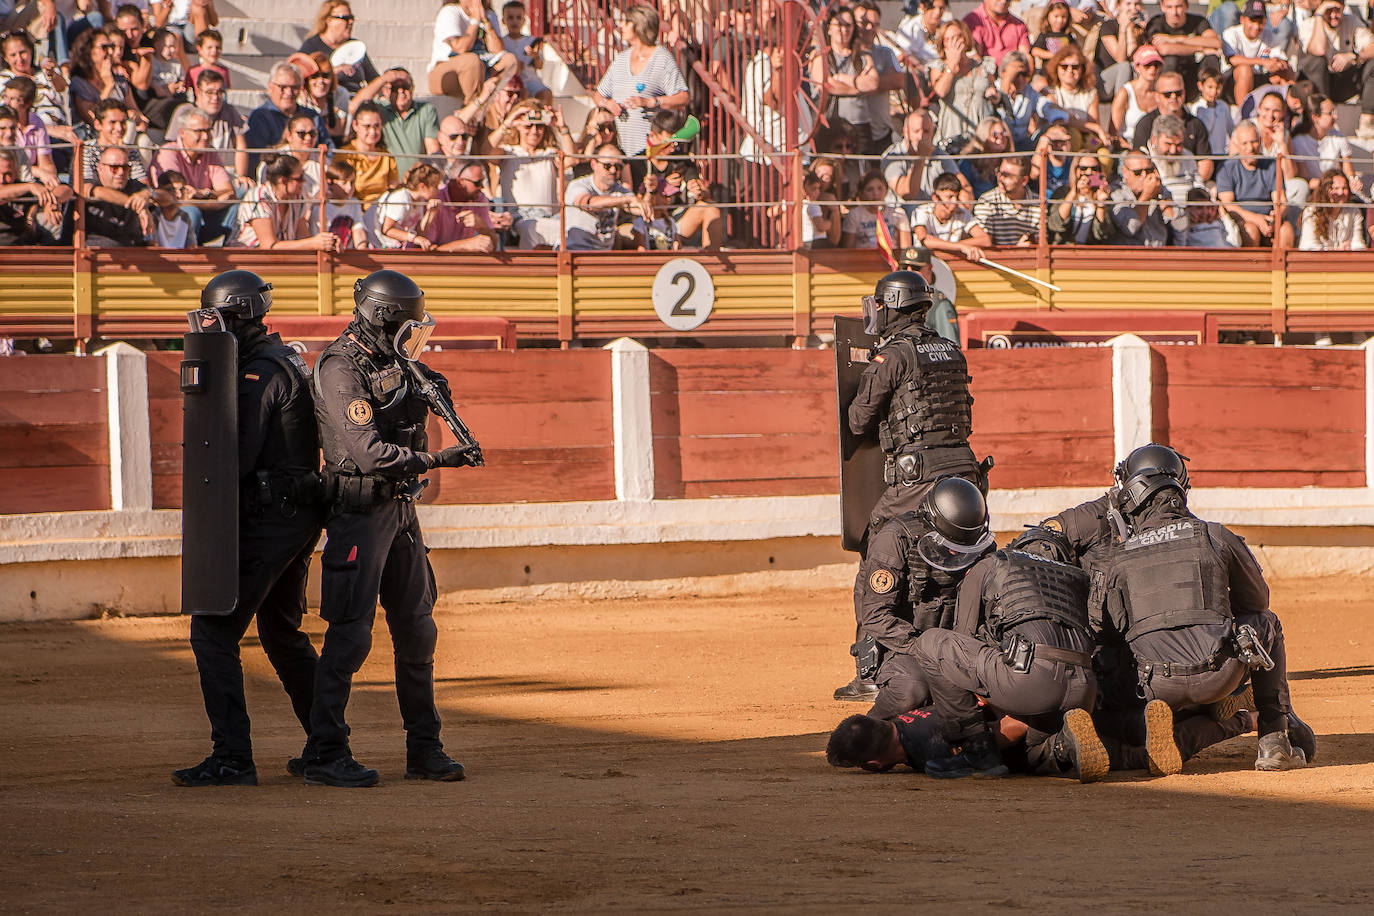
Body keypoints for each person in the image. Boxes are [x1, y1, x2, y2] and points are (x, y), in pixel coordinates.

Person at [307, 268, 479, 787]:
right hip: (359, 513)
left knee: (417, 630)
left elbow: (399, 424)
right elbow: (366, 452)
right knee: (351, 637)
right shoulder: (341, 367)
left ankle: (424, 749)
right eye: (408, 325)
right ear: (383, 319)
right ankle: (324, 753)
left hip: (400, 512)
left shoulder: (398, 365)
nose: (415, 335)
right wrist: (440, 458)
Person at [171, 270, 323, 788]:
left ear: (237, 315)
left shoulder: (260, 370)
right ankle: (328, 746)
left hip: (272, 520)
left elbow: (234, 455)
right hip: (292, 515)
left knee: (213, 633)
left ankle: (233, 757)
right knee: (282, 633)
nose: (210, 325)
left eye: (218, 316)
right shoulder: (279, 360)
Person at [1097, 444, 1315, 773]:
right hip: (1220, 675)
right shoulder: (1215, 534)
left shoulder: (1116, 557)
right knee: (1266, 623)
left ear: (1130, 497)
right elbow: (1256, 603)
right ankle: (1273, 739)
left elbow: (1105, 631)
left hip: (1154, 686)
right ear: (1181, 491)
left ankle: (1146, 728)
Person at [835, 271, 985, 701]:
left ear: (893, 305)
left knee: (877, 560)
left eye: (881, 305)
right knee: (956, 569)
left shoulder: (896, 355)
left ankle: (870, 672)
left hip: (916, 479)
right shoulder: (952, 349)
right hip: (964, 478)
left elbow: (857, 420)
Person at [915, 521, 1106, 780]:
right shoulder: (1079, 577)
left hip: (1031, 683)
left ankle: (976, 750)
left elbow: (962, 641)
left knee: (931, 643)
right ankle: (1060, 748)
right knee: (1024, 750)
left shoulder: (994, 563)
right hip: (1084, 693)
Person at [846, 480, 994, 717]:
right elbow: (875, 617)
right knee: (912, 690)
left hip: (960, 645)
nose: (959, 553)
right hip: (904, 647)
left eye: (965, 548)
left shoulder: (977, 541)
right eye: (953, 547)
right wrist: (927, 650)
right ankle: (872, 731)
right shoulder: (895, 540)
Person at [591, 4, 688, 159]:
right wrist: (607, 103)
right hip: (622, 152)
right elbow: (598, 95)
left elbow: (683, 97)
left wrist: (651, 102)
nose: (622, 26)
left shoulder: (661, 58)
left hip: (652, 153)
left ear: (640, 25)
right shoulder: (621, 59)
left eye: (627, 22)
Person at [152, 106, 235, 243]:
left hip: (205, 214)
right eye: (199, 131)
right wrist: (217, 200)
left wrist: (203, 194)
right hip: (171, 218)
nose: (206, 136)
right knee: (191, 212)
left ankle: (232, 254)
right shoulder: (169, 153)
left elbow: (230, 192)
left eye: (208, 130)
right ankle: (185, 258)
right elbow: (177, 199)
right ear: (182, 132)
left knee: (237, 204)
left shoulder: (210, 152)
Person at [1297, 0, 1374, 139]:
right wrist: (1319, 16)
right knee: (1317, 62)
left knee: (1372, 63)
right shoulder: (1309, 24)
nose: (1334, 15)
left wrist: (1354, 56)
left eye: (1337, 10)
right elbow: (1319, 50)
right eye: (1329, 10)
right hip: (1318, 86)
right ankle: (1324, 118)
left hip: (1345, 81)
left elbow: (1372, 46)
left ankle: (1367, 120)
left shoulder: (1351, 21)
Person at [231, 153, 337, 251]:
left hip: (282, 262)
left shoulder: (298, 197)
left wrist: (327, 242)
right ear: (283, 181)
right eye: (299, 178)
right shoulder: (259, 198)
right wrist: (313, 243)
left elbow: (303, 237)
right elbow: (268, 246)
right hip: (248, 260)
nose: (304, 181)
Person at [428, 0, 519, 109]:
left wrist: (486, 21)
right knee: (471, 61)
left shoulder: (489, 15)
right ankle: (471, 112)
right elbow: (461, 48)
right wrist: (475, 21)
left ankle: (492, 104)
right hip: (447, 73)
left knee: (510, 60)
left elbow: (498, 50)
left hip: (482, 70)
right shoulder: (450, 12)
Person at [351, 68, 440, 177]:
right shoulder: (380, 109)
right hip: (386, 180)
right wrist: (384, 79)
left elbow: (432, 149)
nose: (401, 91)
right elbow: (354, 107)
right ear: (386, 91)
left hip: (416, 180)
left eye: (406, 87)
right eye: (395, 88)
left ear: (413, 88)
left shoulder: (426, 110)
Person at [1131, 69, 1215, 180]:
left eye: (1178, 93)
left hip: (1190, 182)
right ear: (1157, 96)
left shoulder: (1196, 124)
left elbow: (1205, 164)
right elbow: (1139, 162)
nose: (1173, 97)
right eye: (1167, 94)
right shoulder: (1145, 124)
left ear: (1184, 93)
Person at [245, 62, 328, 172]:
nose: (289, 92)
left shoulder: (312, 116)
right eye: (283, 87)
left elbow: (329, 150)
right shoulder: (260, 117)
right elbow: (257, 158)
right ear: (270, 87)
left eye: (294, 87)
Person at [1216, 121, 1285, 246]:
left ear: (1260, 141)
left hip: (1269, 217)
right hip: (1242, 219)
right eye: (1245, 143)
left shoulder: (1272, 165)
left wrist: (1276, 217)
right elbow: (1228, 205)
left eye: (1254, 142)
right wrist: (1257, 219)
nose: (1250, 148)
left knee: (1286, 231)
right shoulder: (1226, 168)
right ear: (1237, 145)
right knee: (1251, 231)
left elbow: (1281, 200)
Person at [986, 50, 1070, 151]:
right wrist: (1006, 84)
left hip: (1023, 144)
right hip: (999, 145)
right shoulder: (993, 89)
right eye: (1017, 74)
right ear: (1003, 73)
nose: (1021, 79)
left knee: (1047, 132)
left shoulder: (1028, 91)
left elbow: (1045, 106)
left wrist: (1056, 122)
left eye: (1025, 74)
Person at [564, 143, 641, 250]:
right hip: (574, 250)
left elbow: (637, 208)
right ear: (594, 164)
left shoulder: (620, 190)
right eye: (607, 166)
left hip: (603, 255)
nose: (613, 170)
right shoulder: (578, 185)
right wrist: (625, 200)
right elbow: (587, 204)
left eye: (618, 167)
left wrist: (651, 192)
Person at [930, 20, 993, 146]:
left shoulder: (983, 66)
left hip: (980, 127)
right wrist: (952, 65)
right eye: (948, 39)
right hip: (952, 129)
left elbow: (992, 87)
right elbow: (940, 91)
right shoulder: (939, 67)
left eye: (957, 37)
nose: (954, 43)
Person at [1143, 0, 1222, 100]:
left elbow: (1215, 43)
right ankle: (1169, 99)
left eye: (1178, 7)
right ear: (1162, 7)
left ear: (1187, 6)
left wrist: (1175, 39)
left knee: (1211, 57)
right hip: (1170, 71)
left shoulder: (1198, 21)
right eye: (1169, 7)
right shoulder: (1156, 23)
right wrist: (1201, 48)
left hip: (1195, 71)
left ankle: (1210, 101)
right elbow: (1164, 49)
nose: (1174, 12)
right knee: (1171, 59)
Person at [299, 0, 377, 95]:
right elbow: (300, 76)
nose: (351, 22)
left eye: (352, 18)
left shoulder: (355, 46)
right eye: (345, 18)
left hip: (356, 98)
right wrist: (334, 71)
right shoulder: (312, 45)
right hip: (328, 100)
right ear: (329, 20)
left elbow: (373, 78)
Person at [1111, 148, 1186, 246]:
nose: (1144, 176)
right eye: (1137, 172)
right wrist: (1147, 196)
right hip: (1130, 255)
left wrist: (1163, 200)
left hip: (1159, 254)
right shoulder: (1116, 192)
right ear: (1125, 172)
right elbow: (1130, 228)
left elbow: (1180, 227)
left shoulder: (1159, 188)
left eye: (1148, 170)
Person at [1223, 0, 1292, 106]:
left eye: (1260, 22)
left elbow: (1281, 57)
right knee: (1244, 69)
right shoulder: (1231, 33)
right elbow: (1233, 59)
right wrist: (1263, 62)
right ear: (1242, 19)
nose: (1256, 26)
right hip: (1232, 83)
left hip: (1259, 78)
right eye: (1252, 21)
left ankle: (1289, 111)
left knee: (1286, 71)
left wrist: (1278, 64)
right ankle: (1243, 115)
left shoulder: (1269, 35)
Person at [911, 171, 991, 261]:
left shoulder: (963, 214)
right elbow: (925, 240)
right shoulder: (921, 211)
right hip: (924, 262)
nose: (955, 201)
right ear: (935, 198)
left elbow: (985, 240)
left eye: (957, 197)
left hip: (951, 263)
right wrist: (961, 246)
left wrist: (955, 246)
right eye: (949, 197)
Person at [1045, 45, 1111, 149]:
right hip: (1063, 142)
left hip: (1088, 139)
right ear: (1056, 68)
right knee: (1074, 135)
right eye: (1064, 66)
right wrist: (1095, 127)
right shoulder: (1051, 93)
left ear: (1082, 69)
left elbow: (1093, 126)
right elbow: (1061, 121)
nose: (1070, 70)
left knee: (1101, 150)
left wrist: (1096, 129)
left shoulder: (1090, 94)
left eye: (1075, 67)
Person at [85, 145, 153, 246]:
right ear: (100, 168)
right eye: (114, 168)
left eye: (125, 168)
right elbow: (94, 191)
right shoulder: (90, 184)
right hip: (98, 252)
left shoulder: (134, 186)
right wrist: (139, 206)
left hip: (132, 252)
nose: (121, 172)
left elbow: (167, 196)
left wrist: (147, 193)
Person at [334, 101, 398, 206]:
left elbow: (393, 188)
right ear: (355, 125)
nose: (373, 131)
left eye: (376, 126)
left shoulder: (387, 156)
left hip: (382, 210)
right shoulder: (344, 154)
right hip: (353, 210)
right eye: (367, 126)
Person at [1048, 152, 1116, 243]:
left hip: (1089, 252)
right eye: (1083, 168)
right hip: (1063, 249)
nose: (1088, 172)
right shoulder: (1062, 192)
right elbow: (1055, 224)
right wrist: (1073, 192)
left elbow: (1102, 234)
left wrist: (1101, 204)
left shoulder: (1103, 196)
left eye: (1094, 169)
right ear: (1075, 170)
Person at [973, 154, 1039, 246]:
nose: (1000, 178)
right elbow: (984, 244)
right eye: (999, 172)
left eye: (1007, 176)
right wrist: (1016, 251)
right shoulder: (987, 201)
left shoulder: (1038, 203)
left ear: (1024, 180)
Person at [897, 245, 957, 343]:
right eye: (904, 267)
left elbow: (951, 345)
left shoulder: (938, 303)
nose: (909, 271)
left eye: (916, 267)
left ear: (929, 268)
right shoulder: (895, 300)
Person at [841, 168, 913, 250]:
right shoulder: (854, 215)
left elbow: (906, 249)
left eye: (880, 188)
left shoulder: (898, 213)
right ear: (861, 193)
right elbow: (849, 251)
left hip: (891, 259)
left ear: (886, 191)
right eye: (870, 189)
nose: (876, 193)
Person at [1298, 168, 1367, 250]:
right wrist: (1337, 250)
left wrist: (1350, 247)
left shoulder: (1354, 212)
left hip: (1347, 261)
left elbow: (1359, 244)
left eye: (1344, 188)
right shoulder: (1311, 212)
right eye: (1336, 188)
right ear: (1325, 190)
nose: (1341, 192)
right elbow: (1309, 246)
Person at [1111, 44, 1162, 141]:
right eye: (1147, 64)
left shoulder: (1162, 94)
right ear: (1137, 67)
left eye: (1156, 64)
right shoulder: (1125, 93)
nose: (1153, 69)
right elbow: (1114, 134)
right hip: (1128, 146)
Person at [963, 0, 1029, 68]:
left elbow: (1025, 57)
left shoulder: (1019, 25)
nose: (1004, 1)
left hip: (1015, 73)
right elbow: (973, 57)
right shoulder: (971, 23)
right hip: (983, 73)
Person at [1189, 64, 1235, 160]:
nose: (1214, 92)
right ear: (1200, 86)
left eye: (1217, 88)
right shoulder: (1196, 108)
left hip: (1221, 155)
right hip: (1204, 156)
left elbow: (1232, 131)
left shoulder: (1223, 106)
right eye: (1210, 87)